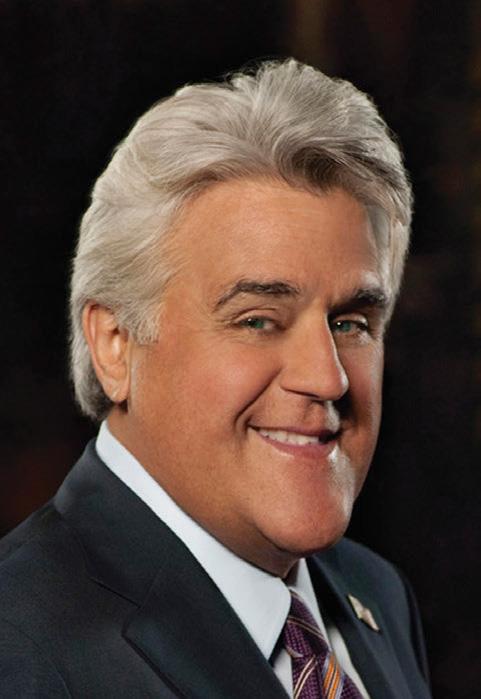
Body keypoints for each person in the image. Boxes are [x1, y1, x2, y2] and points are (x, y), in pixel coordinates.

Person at [0, 59, 431, 698]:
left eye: (351, 323)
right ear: (115, 345)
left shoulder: (377, 596)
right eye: (258, 320)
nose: (328, 378)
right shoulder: (19, 648)